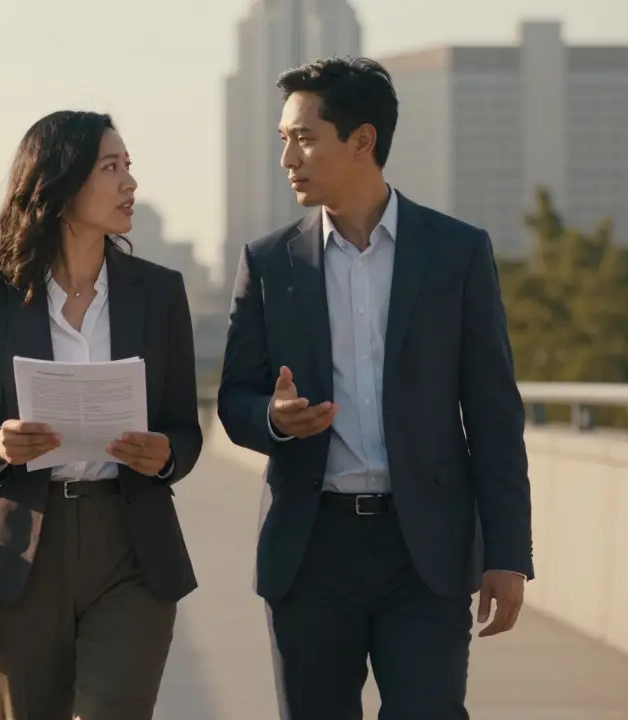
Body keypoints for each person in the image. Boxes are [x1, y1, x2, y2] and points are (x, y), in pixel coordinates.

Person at [217, 57, 534, 719]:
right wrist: (273, 418)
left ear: (362, 140)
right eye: (283, 139)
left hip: (425, 553)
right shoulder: (269, 262)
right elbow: (233, 400)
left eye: (303, 138)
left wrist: (507, 553)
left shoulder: (457, 252)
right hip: (310, 554)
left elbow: (494, 414)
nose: (287, 158)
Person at [0, 109, 203, 720]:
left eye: (129, 166)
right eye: (111, 167)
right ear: (60, 183)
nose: (130, 183)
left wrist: (166, 455)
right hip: (23, 551)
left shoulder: (159, 293)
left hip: (131, 548)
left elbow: (185, 429)